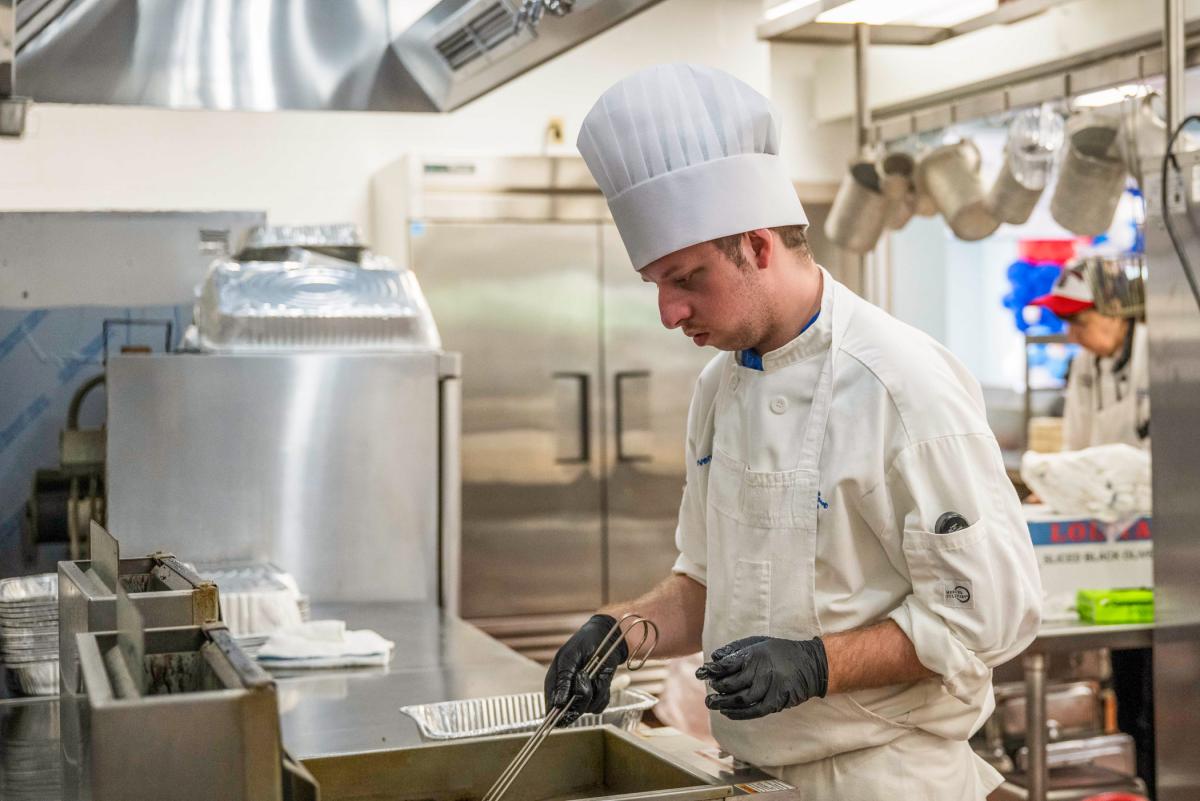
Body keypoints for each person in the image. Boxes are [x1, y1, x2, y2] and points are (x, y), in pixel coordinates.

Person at [544, 63, 1042, 799]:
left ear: (758, 244)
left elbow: (990, 618)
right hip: (753, 774)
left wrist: (816, 664)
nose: (668, 313)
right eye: (657, 285)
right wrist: (619, 632)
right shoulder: (720, 385)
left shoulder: (900, 383)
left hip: (882, 777)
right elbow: (709, 585)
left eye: (685, 279)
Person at [1028, 260, 1155, 795]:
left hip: (1162, 541)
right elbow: (1078, 451)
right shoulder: (1084, 364)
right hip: (1114, 546)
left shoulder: (1160, 350)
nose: (1074, 332)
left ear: (1118, 312)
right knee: (1126, 670)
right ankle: (1142, 777)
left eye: (1081, 319)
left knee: (1160, 672)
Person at [1029, 260, 1149, 451]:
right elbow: (1073, 441)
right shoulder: (1084, 362)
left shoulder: (1155, 357)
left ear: (1115, 310)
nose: (1072, 336)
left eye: (1079, 323)